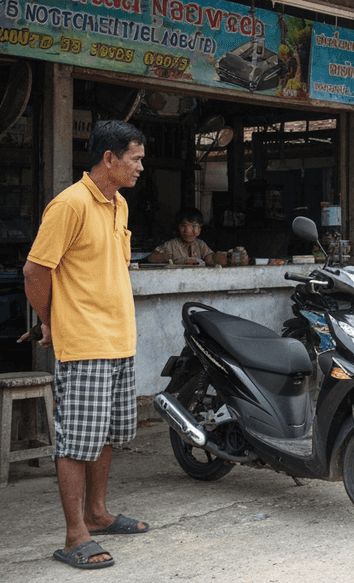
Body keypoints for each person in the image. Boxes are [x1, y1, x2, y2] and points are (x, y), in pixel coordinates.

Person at [23, 120, 149, 570]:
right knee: (77, 441)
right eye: (134, 158)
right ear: (109, 159)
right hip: (85, 342)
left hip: (119, 338)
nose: (140, 166)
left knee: (108, 434)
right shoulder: (70, 204)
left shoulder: (120, 204)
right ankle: (75, 533)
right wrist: (48, 322)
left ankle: (97, 513)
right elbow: (35, 270)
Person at [145, 207, 215, 265]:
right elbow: (151, 258)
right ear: (178, 227)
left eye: (194, 226)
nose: (188, 231)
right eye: (183, 226)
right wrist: (168, 258)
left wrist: (214, 259)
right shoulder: (171, 245)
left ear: (199, 229)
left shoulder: (201, 245)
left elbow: (210, 259)